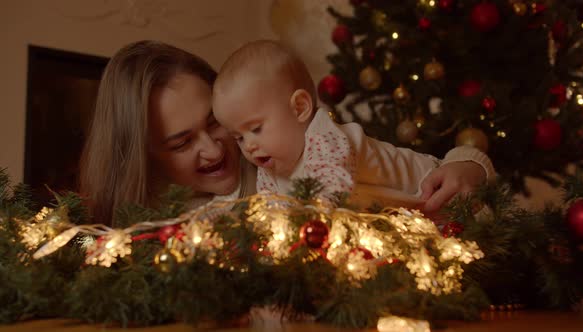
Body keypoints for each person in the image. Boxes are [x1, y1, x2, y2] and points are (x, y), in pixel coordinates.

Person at [212, 40, 494, 210]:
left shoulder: (326, 139)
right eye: (238, 138)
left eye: (256, 128)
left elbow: (333, 197)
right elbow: (271, 212)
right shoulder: (270, 168)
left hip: (438, 189)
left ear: (300, 108)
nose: (248, 146)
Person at [79, 40, 256, 225]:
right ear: (146, 160)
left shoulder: (275, 177)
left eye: (214, 122)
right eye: (182, 143)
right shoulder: (133, 235)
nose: (214, 151)